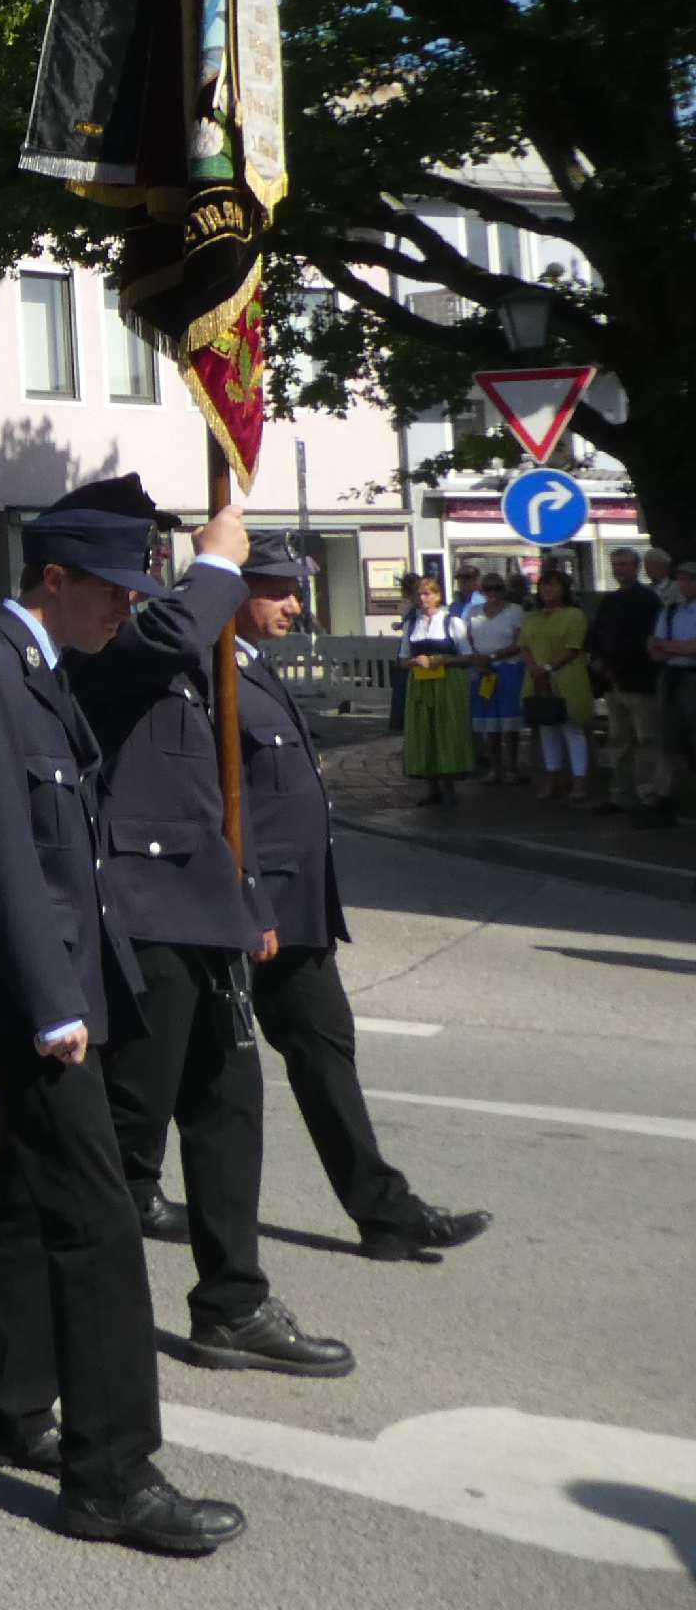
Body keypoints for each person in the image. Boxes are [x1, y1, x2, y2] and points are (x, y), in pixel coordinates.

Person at [0, 488, 248, 1557]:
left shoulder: (38, 666)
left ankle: (6, 1409)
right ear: (52, 580)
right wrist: (52, 999)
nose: (125, 609)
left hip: (64, 979)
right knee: (99, 1223)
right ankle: (110, 1475)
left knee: (27, 1197)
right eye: (111, 592)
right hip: (35, 992)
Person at [73, 503, 354, 1379]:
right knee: (125, 1124)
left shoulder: (198, 652)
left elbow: (223, 796)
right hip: (148, 913)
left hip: (209, 912)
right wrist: (218, 566)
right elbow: (171, 632)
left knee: (230, 1108)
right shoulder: (111, 648)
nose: (135, 583)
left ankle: (232, 1304)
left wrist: (249, 898)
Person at [221, 537, 493, 1261]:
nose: (294, 604)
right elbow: (209, 804)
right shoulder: (211, 673)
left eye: (296, 589)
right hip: (244, 914)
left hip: (296, 912)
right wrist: (247, 899)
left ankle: (385, 1212)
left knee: (326, 1049)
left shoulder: (253, 666)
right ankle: (38, 1209)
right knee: (172, 1078)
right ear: (233, 591)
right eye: (278, 590)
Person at [591, 548, 665, 813]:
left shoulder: (649, 600)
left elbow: (646, 640)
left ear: (636, 567)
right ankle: (621, 795)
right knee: (618, 740)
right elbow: (596, 634)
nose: (619, 569)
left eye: (624, 564)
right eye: (615, 564)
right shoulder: (609, 601)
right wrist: (599, 661)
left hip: (639, 680)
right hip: (612, 682)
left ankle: (648, 795)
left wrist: (617, 665)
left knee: (646, 739)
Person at [396, 573, 475, 807]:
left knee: (447, 730)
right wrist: (415, 661)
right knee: (423, 732)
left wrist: (443, 660)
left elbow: (467, 656)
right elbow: (402, 660)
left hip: (447, 684)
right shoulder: (411, 625)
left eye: (427, 594)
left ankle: (449, 786)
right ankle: (431, 787)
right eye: (419, 594)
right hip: (420, 684)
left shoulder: (452, 622)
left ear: (437, 596)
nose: (422, 598)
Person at [519, 564, 594, 801]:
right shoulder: (532, 616)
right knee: (547, 728)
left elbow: (573, 648)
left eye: (553, 585)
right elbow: (524, 645)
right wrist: (534, 667)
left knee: (572, 729)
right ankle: (552, 779)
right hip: (537, 678)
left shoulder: (574, 615)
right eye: (544, 585)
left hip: (566, 676)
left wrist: (549, 668)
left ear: (564, 589)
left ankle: (580, 782)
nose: (547, 590)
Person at [464, 571, 529, 784]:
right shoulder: (473, 612)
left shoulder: (515, 611)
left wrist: (493, 657)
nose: (493, 592)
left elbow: (519, 643)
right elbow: (467, 639)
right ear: (481, 591)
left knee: (509, 724)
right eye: (488, 588)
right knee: (488, 723)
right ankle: (495, 767)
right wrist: (478, 661)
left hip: (509, 669)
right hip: (482, 672)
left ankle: (512, 767)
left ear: (504, 590)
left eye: (498, 588)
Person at [648, 553, 696, 830]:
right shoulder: (670, 612)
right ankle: (664, 800)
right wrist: (678, 648)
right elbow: (654, 650)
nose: (686, 584)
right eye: (682, 579)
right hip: (671, 677)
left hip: (691, 676)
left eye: (691, 579)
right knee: (668, 739)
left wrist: (668, 646)